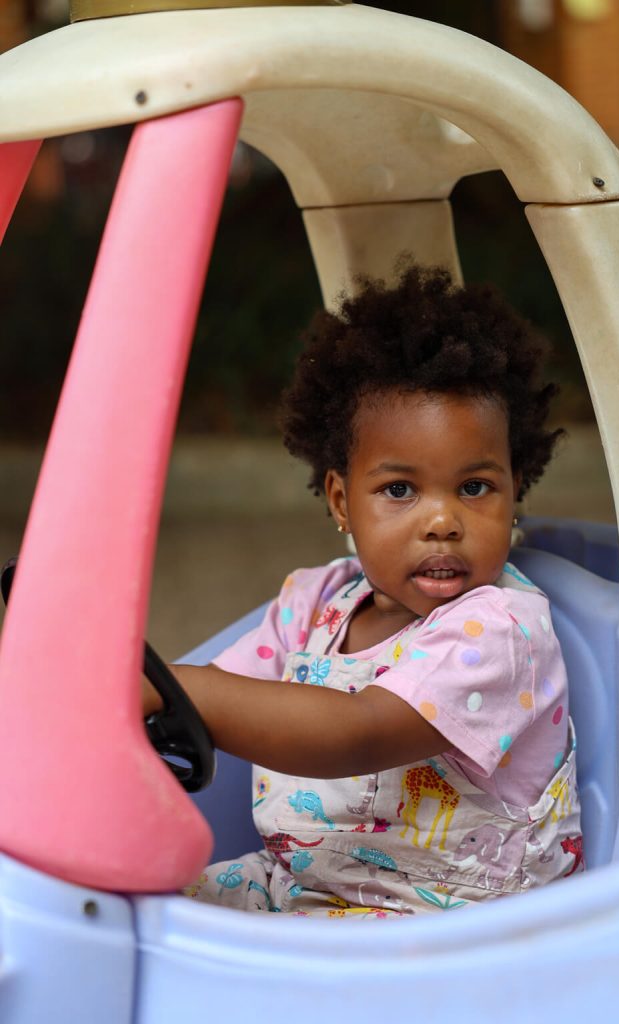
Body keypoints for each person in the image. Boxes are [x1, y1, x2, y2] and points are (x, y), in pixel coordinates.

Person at [144, 265, 583, 918]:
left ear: (514, 488)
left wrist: (171, 685)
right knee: (129, 907)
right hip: (300, 885)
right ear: (342, 501)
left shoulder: (499, 631)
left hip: (443, 928)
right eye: (399, 490)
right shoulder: (313, 603)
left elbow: (357, 732)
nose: (442, 520)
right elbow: (219, 699)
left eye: (474, 488)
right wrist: (144, 696)